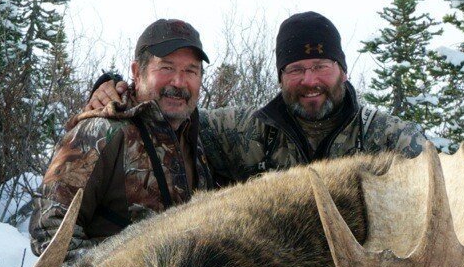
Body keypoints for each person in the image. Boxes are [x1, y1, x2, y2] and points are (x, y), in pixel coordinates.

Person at [86, 11, 431, 186]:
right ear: (280, 76)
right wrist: (119, 88)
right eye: (296, 69)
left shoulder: (392, 139)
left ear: (343, 70)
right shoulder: (239, 130)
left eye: (321, 66)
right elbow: (172, 108)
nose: (310, 81)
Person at [29, 19, 214, 262]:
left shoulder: (197, 136)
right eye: (166, 68)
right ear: (137, 73)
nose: (179, 82)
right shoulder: (99, 131)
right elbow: (48, 230)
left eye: (190, 70)